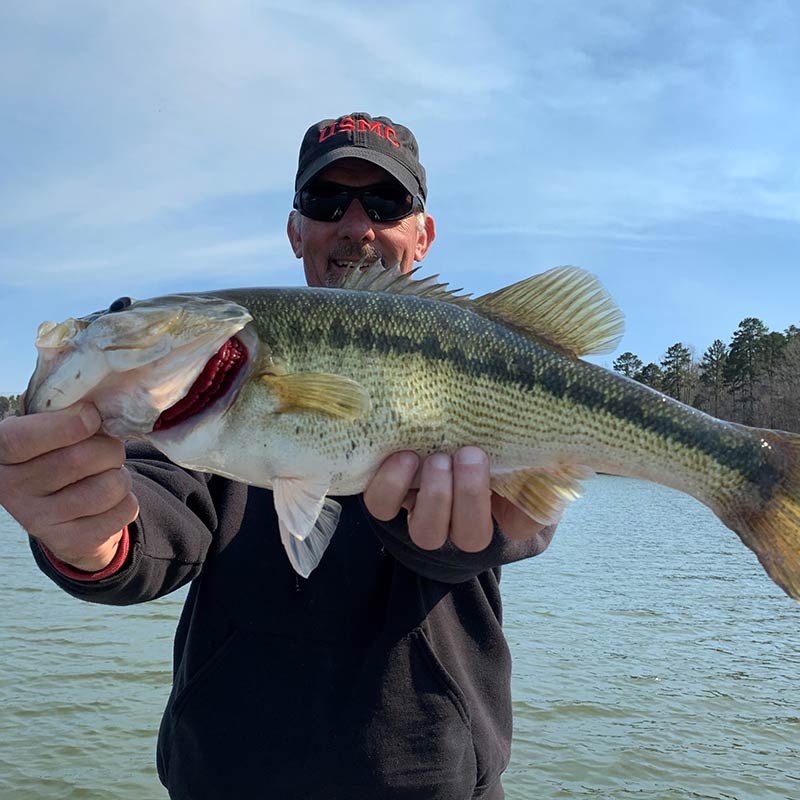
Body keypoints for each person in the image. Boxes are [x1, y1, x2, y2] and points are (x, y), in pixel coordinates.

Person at [0, 112, 556, 800]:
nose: (356, 224)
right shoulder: (204, 394)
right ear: (296, 231)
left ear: (423, 233)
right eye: (327, 203)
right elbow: (154, 508)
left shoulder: (481, 357)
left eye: (386, 203)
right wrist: (88, 531)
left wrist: (470, 531)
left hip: (434, 782)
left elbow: (523, 512)